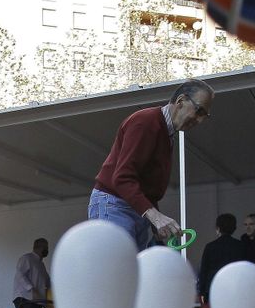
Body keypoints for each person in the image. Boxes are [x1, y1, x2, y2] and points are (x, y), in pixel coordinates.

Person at [88, 80, 213, 248]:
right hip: (115, 205)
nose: (199, 120)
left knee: (129, 273)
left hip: (131, 209)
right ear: (181, 101)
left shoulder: (165, 132)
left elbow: (147, 187)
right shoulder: (146, 122)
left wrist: (155, 220)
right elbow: (123, 178)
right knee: (117, 271)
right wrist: (155, 216)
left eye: (204, 116)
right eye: (199, 111)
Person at [197, 213, 247, 300]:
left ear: (218, 228)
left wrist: (202, 291)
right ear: (234, 228)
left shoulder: (210, 246)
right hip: (234, 287)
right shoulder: (241, 246)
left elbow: (204, 270)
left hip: (213, 286)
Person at [13, 237, 52, 308]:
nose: (47, 250)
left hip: (36, 301)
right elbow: (20, 275)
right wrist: (31, 288)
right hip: (23, 298)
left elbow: (47, 281)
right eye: (45, 247)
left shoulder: (41, 265)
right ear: (38, 247)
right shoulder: (27, 259)